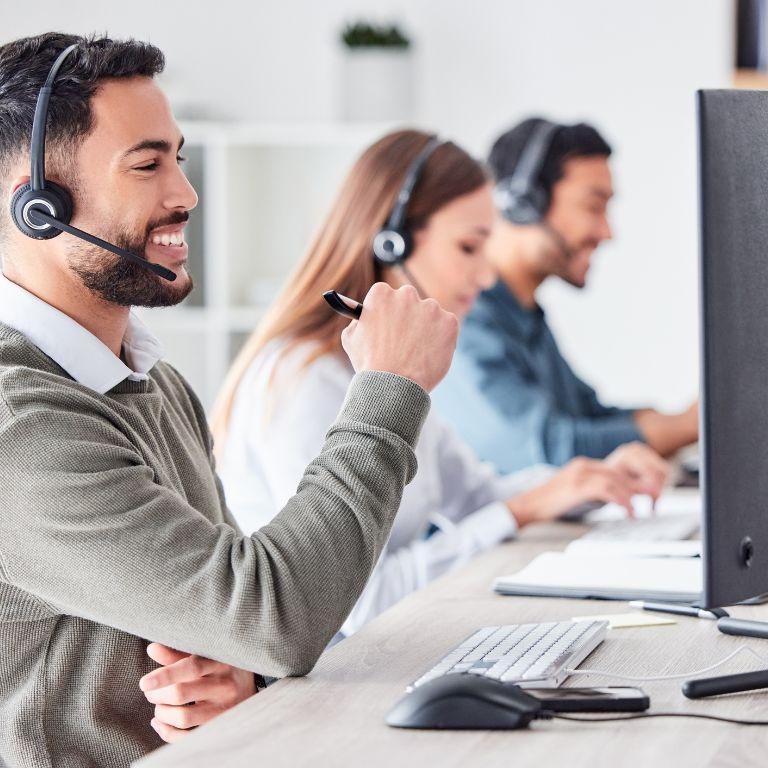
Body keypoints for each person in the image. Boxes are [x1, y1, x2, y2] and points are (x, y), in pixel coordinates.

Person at [0, 34, 459, 766]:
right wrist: (388, 390)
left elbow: (239, 621)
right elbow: (272, 613)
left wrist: (242, 677)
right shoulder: (19, 424)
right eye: (148, 164)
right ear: (37, 205)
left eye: (177, 158)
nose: (185, 193)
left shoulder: (151, 382)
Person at [212, 129, 669, 638]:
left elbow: (475, 496)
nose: (487, 276)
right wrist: (520, 511)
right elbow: (358, 605)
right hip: (326, 674)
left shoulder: (395, 366)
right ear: (392, 240)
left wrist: (588, 482)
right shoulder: (306, 379)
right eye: (469, 247)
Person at [434, 118, 698, 475]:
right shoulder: (466, 319)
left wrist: (679, 418)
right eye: (593, 206)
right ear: (524, 201)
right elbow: (550, 449)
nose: (607, 232)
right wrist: (689, 425)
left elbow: (587, 414)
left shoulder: (524, 316)